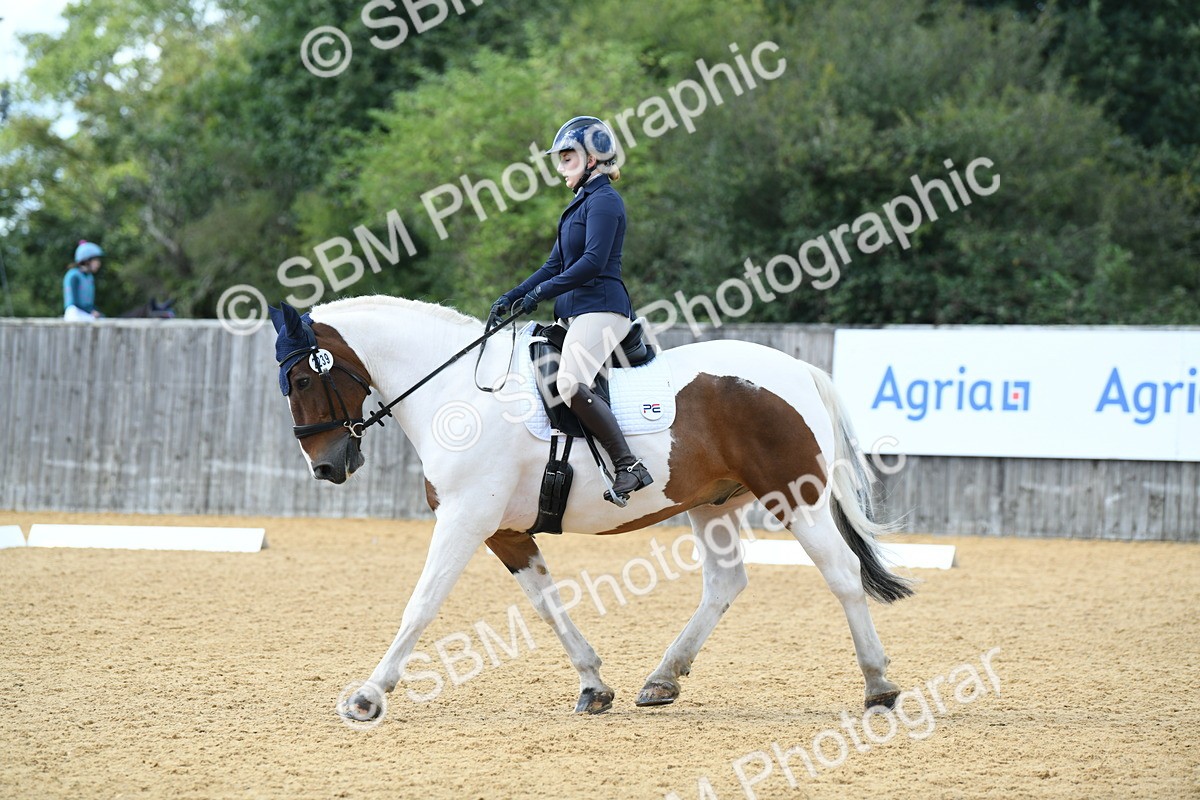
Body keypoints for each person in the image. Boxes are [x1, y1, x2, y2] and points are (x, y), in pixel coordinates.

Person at [492, 116, 653, 505]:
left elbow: (593, 262)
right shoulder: (578, 205)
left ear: (594, 158)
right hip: (575, 311)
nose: (560, 166)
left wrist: (543, 293)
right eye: (560, 158)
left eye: (567, 157)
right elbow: (554, 265)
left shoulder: (604, 202)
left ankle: (628, 464)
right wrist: (515, 294)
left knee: (569, 383)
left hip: (601, 308)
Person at [63, 240, 104, 321]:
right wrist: (90, 311)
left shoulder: (89, 277)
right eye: (96, 261)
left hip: (85, 312)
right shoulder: (74, 276)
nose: (98, 264)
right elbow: (75, 302)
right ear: (87, 261)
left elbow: (88, 303)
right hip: (74, 312)